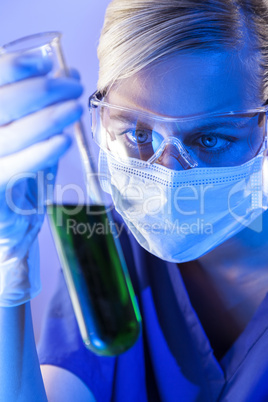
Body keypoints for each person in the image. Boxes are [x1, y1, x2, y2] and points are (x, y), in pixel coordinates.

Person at [1, 0, 268, 400]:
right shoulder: (105, 245)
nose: (168, 177)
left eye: (210, 139)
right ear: (102, 120)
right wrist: (7, 281)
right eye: (139, 136)